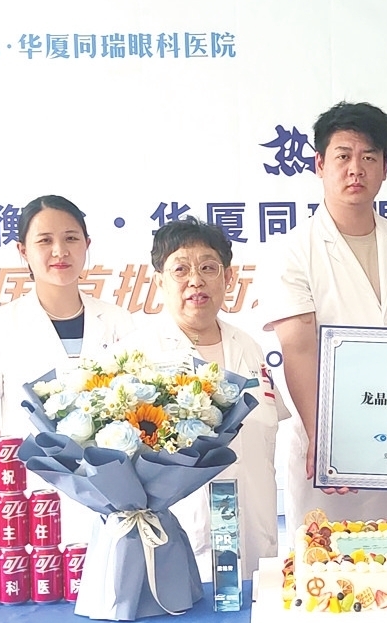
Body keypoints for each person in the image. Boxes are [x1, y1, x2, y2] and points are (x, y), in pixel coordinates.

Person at [262, 101, 387, 537]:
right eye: (343, 156)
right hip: (335, 435)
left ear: (385, 168)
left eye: (369, 157)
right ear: (319, 164)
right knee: (332, 562)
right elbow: (299, 349)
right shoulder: (293, 251)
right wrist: (323, 438)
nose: (355, 169)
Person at [117, 218, 290, 581]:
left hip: (256, 526)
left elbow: (265, 429)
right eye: (180, 269)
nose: (195, 280)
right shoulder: (136, 355)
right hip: (180, 534)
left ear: (228, 278)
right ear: (159, 282)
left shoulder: (249, 346)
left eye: (208, 268)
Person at [0, 195, 134, 542]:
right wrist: (15, 475)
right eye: (44, 240)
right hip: (33, 492)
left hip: (113, 490)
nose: (60, 251)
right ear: (23, 251)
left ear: (87, 245)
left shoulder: (118, 321)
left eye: (71, 238)